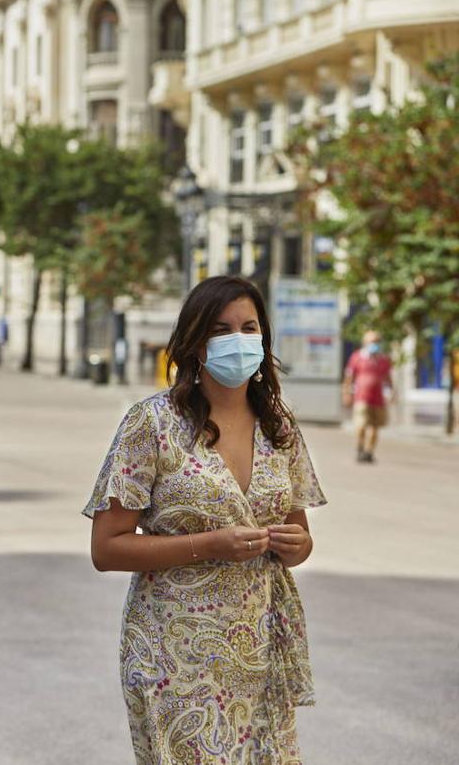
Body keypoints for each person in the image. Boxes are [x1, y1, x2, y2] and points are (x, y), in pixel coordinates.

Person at [84, 276, 328, 765]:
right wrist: (210, 544)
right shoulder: (151, 423)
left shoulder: (279, 426)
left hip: (259, 647)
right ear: (195, 343)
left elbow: (301, 538)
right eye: (221, 329)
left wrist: (294, 544)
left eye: (248, 327)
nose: (238, 340)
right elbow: (106, 548)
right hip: (176, 654)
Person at [342, 330, 393, 463]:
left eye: (377, 341)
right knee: (361, 425)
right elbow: (349, 377)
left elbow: (388, 378)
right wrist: (347, 393)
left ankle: (369, 452)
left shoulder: (384, 359)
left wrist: (391, 392)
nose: (374, 344)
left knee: (375, 427)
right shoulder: (357, 357)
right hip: (361, 398)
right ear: (365, 343)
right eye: (372, 341)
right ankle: (360, 448)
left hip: (378, 399)